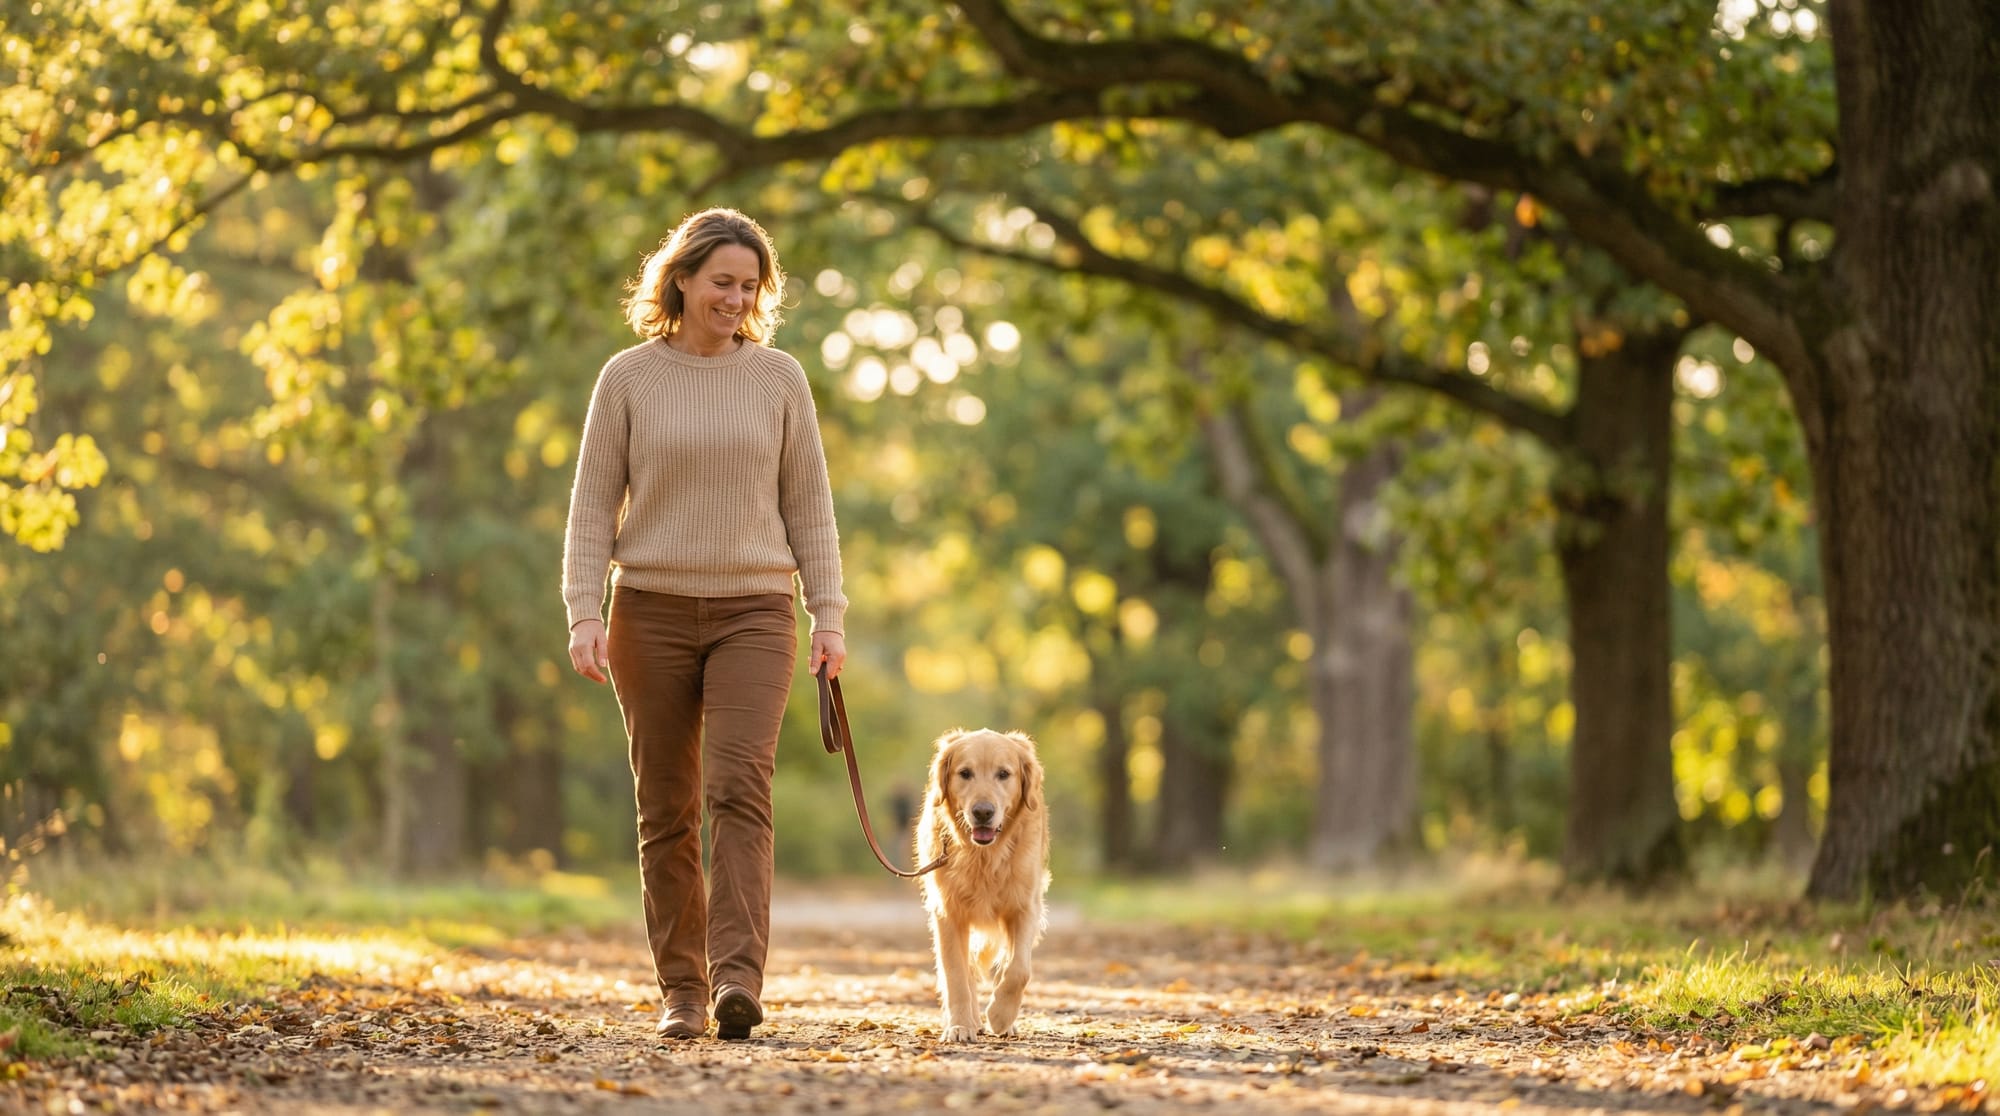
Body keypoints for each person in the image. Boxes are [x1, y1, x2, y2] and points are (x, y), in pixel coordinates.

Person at [561, 207, 847, 1042]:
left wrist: (826, 615)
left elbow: (812, 509)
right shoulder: (626, 378)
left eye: (750, 286)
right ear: (680, 279)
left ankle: (736, 982)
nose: (736, 298)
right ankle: (680, 991)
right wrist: (584, 612)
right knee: (667, 806)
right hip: (646, 609)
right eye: (723, 281)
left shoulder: (780, 379)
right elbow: (589, 512)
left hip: (756, 610)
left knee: (739, 788)